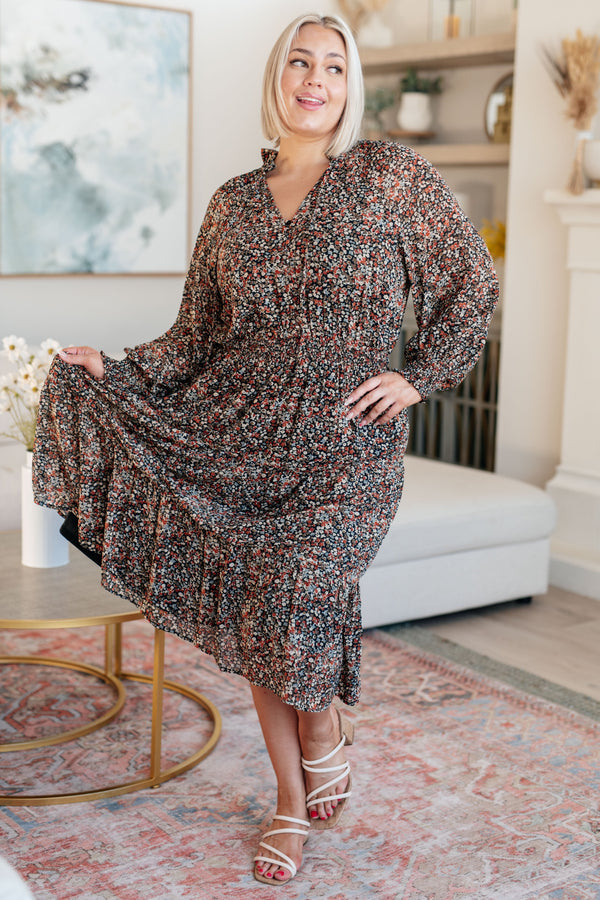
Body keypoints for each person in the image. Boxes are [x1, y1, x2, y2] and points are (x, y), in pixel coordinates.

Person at [33, 12, 498, 886]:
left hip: (347, 442)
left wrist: (417, 376)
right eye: (300, 63)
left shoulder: (390, 177)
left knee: (299, 581)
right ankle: (292, 799)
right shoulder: (233, 206)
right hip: (240, 430)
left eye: (333, 65)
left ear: (350, 84)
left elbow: (470, 283)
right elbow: (196, 338)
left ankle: (322, 725)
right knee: (261, 598)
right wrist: (116, 366)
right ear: (278, 79)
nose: (314, 80)